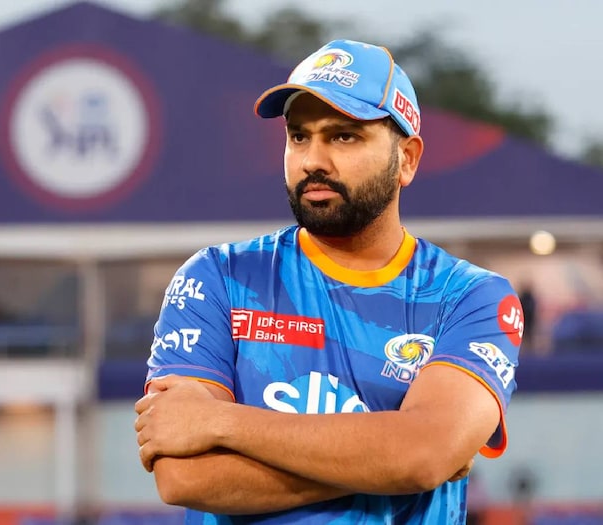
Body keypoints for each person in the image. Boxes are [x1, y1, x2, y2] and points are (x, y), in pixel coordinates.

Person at [135, 38, 522, 524]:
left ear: (407, 158)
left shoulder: (471, 297)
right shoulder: (218, 277)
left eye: (343, 137)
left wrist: (220, 422)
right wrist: (397, 460)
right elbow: (185, 478)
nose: (312, 160)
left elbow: (423, 457)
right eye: (299, 136)